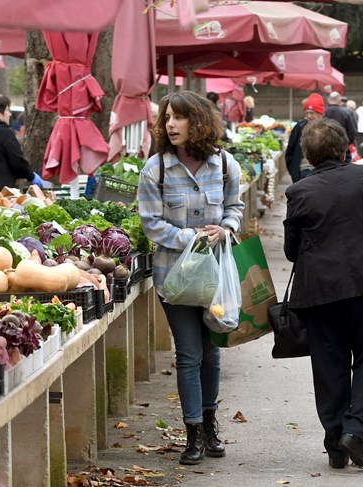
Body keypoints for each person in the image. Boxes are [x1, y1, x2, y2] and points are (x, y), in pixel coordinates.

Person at [283, 119, 363, 470]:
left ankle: (335, 448)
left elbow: (292, 251)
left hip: (319, 293)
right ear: (345, 148)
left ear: (307, 154)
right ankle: (355, 430)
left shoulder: (299, 192)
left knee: (329, 367)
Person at [138, 91, 245, 466]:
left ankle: (212, 424)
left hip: (215, 275)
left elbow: (235, 207)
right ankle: (193, 434)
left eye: (179, 118)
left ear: (197, 122)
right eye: (167, 118)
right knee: (189, 354)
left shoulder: (226, 164)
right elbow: (151, 224)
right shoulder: (156, 169)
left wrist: (225, 228)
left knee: (212, 354)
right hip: (176, 278)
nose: (170, 124)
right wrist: (193, 237)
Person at [0, 94, 42, 191]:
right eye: (7, 110)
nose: (10, 114)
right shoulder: (3, 132)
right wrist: (31, 176)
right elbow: (16, 160)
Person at [285, 93, 325, 183]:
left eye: (312, 113)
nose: (309, 116)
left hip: (324, 172)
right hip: (303, 171)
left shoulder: (330, 127)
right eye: (306, 113)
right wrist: (293, 172)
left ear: (320, 113)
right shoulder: (299, 127)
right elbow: (290, 151)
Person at [325, 92, 356, 163]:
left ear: (328, 100)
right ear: (339, 100)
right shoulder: (346, 113)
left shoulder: (322, 113)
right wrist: (346, 143)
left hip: (325, 150)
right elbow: (352, 132)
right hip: (343, 149)